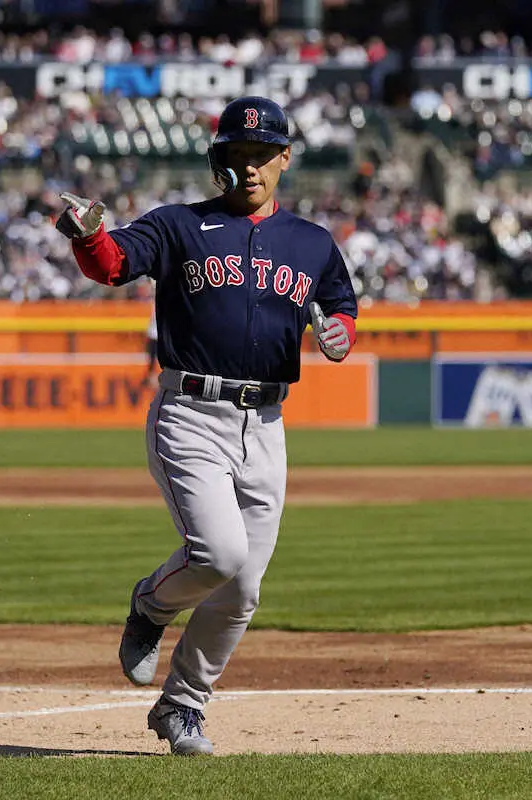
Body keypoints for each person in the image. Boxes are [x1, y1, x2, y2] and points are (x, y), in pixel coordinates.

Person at [55, 96, 358, 756]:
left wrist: (340, 334)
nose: (249, 167)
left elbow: (339, 306)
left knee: (245, 585)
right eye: (236, 155)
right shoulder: (179, 227)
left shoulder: (310, 243)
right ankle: (152, 607)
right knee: (218, 556)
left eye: (261, 155)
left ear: (283, 159)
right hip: (190, 414)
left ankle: (185, 702)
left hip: (267, 422)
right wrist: (87, 235)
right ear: (219, 160)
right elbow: (112, 265)